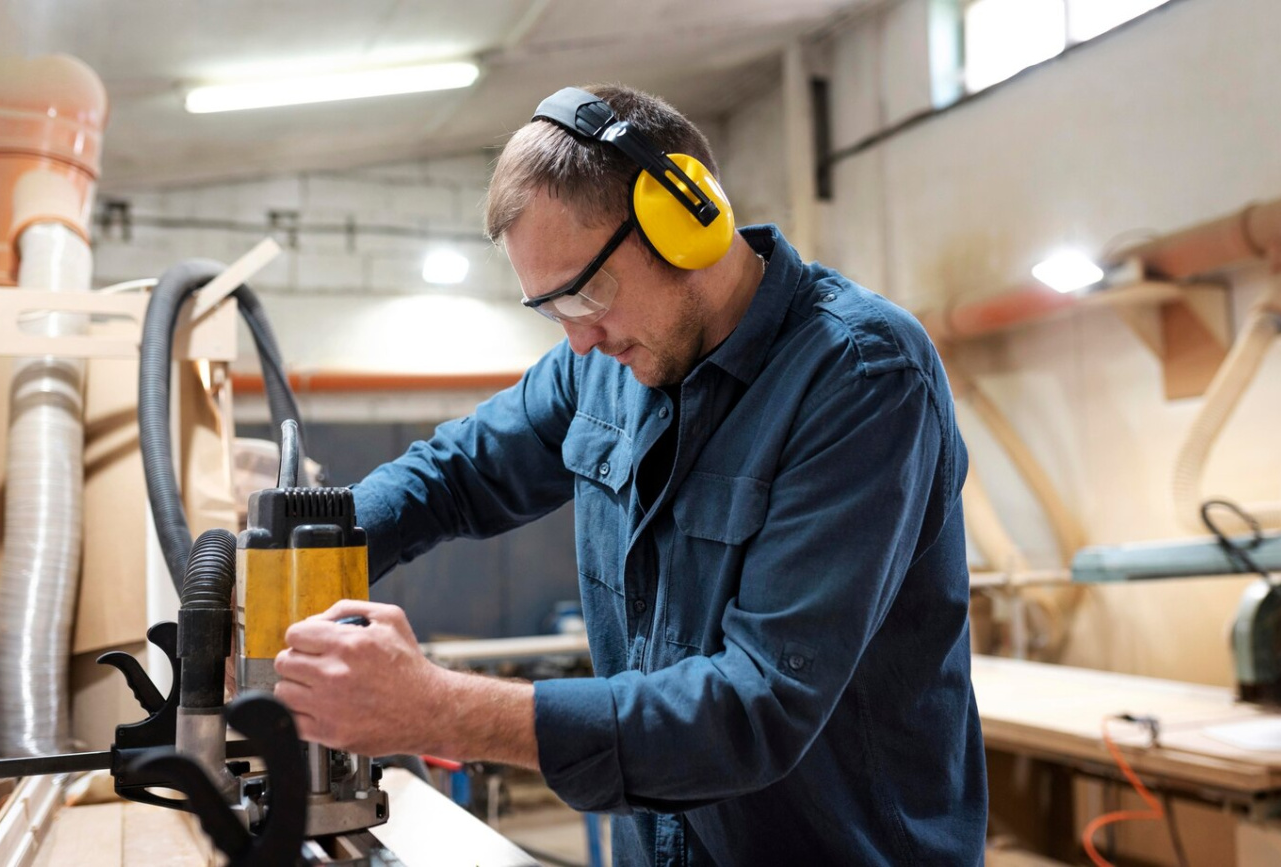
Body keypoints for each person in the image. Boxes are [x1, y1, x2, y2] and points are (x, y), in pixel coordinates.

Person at [273, 84, 987, 866]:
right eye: (551, 309)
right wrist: (295, 556)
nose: (577, 340)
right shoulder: (609, 365)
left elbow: (754, 712)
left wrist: (438, 708)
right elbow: (455, 473)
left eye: (585, 293)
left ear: (685, 221)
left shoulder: (861, 376)